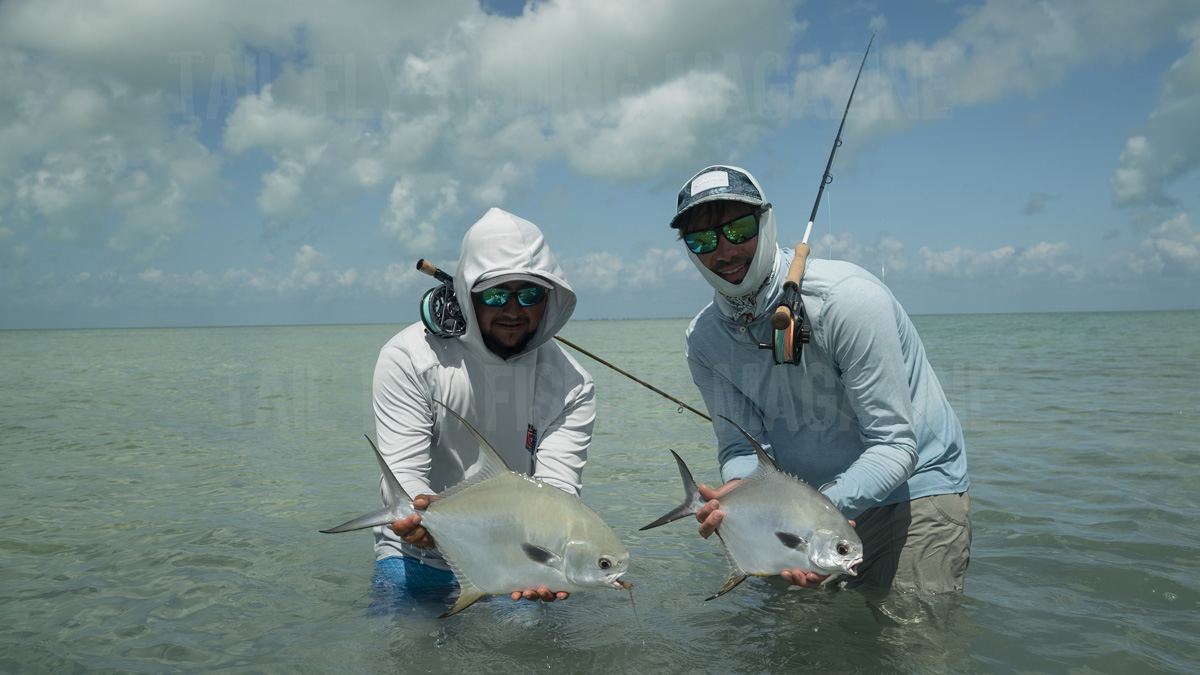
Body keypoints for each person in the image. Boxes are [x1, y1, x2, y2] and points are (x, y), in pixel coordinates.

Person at [669, 165, 970, 594]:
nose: (723, 251)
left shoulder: (847, 301)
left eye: (737, 229)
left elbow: (895, 444)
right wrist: (741, 489)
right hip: (807, 515)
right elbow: (740, 446)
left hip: (914, 494)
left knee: (912, 648)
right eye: (701, 240)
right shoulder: (703, 339)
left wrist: (817, 513)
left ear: (766, 222)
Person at [369, 207, 596, 610]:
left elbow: (557, 495)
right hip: (415, 555)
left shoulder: (571, 383)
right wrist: (421, 522)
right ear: (467, 294)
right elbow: (402, 480)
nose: (513, 310)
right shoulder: (408, 357)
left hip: (513, 560)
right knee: (399, 643)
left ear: (550, 298)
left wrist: (545, 563)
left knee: (526, 642)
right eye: (494, 295)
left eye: (529, 295)